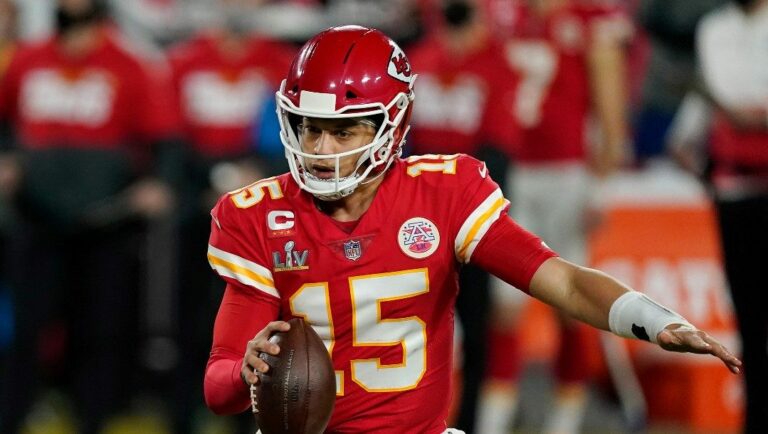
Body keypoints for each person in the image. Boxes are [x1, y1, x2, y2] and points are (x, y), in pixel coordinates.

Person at [202, 25, 741, 434]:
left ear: (392, 125)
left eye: (343, 131)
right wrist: (246, 372)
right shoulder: (258, 216)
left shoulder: (443, 191)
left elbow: (564, 281)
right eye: (309, 128)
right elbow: (218, 385)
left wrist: (650, 319)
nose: (321, 151)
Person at [0, 0, 180, 432]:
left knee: (99, 330)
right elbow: (4, 123)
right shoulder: (28, 59)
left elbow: (163, 137)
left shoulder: (129, 65)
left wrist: (159, 184)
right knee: (25, 329)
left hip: (106, 222)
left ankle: (93, 417)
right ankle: (12, 416)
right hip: (36, 219)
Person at [476, 1, 633, 432]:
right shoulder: (508, 16)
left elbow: (611, 105)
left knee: (569, 303)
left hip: (567, 173)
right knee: (505, 305)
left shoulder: (590, 20)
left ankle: (565, 417)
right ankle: (494, 418)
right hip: (513, 169)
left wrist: (603, 185)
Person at [405, 1, 519, 431]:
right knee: (413, 321)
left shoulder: (495, 66)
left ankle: (469, 420)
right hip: (414, 213)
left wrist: (473, 208)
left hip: (467, 212)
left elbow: (499, 150)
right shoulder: (419, 63)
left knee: (475, 321)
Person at [675, 1, 768, 432]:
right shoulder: (715, 28)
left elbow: (737, 107)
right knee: (749, 316)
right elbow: (724, 100)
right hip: (737, 192)